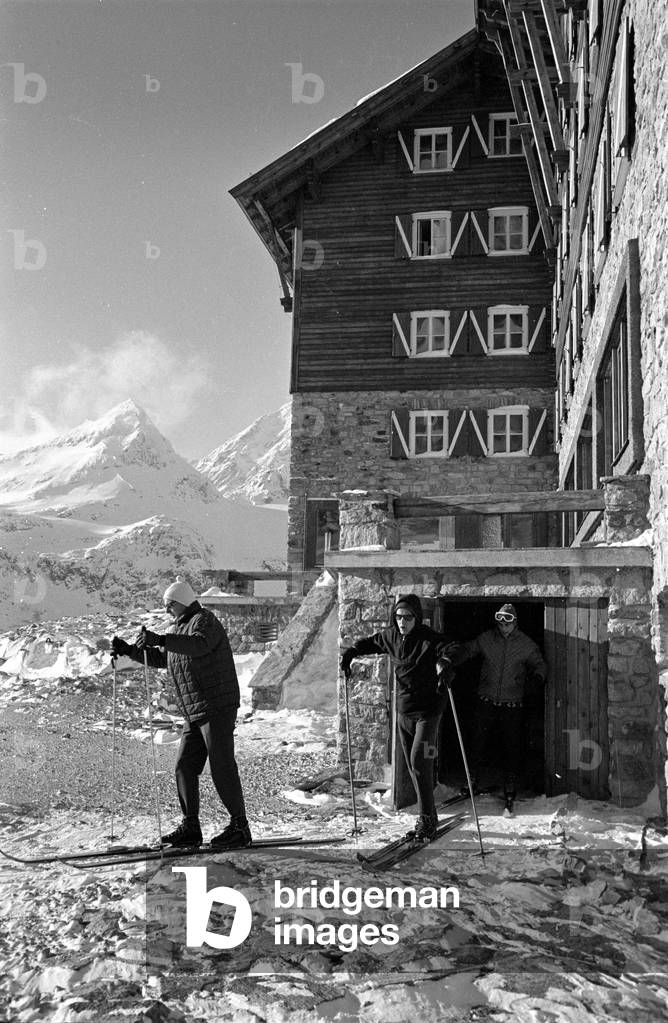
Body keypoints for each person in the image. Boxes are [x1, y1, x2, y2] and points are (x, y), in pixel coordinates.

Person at [111, 578, 251, 850]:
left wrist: (162, 639)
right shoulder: (181, 627)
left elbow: (198, 645)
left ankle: (240, 827)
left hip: (216, 706)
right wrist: (130, 651)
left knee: (221, 766)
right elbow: (166, 659)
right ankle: (191, 826)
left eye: (169, 605)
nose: (166, 611)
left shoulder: (204, 621)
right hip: (195, 710)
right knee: (184, 767)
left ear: (182, 602)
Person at [340, 594, 454, 841]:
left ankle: (425, 819)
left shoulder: (428, 638)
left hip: (428, 712)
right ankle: (430, 815)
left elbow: (453, 648)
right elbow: (370, 643)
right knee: (415, 767)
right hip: (405, 711)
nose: (403, 622)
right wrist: (351, 653)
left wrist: (446, 661)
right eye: (399, 617)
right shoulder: (391, 636)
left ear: (417, 617)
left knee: (420, 762)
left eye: (408, 617)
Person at [447, 603, 546, 807]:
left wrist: (537, 678)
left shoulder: (525, 644)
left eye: (508, 620)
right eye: (500, 619)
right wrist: (451, 659)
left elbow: (540, 663)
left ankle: (510, 782)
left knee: (512, 745)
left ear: (515, 621)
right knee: (478, 741)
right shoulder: (487, 639)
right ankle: (472, 778)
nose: (503, 625)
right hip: (487, 699)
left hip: (512, 703)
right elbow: (469, 649)